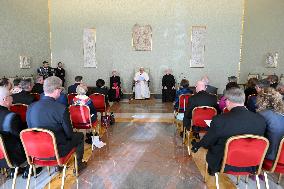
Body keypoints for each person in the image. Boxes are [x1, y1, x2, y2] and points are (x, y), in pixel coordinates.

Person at [191, 88, 266, 175]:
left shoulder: (220, 120)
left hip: (224, 163)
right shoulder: (260, 120)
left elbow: (207, 143)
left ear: (228, 101)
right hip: (252, 164)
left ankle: (212, 172)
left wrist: (198, 145)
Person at [27, 76, 87, 171]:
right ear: (57, 90)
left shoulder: (30, 107)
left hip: (35, 150)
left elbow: (30, 130)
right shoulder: (61, 108)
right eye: (60, 89)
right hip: (57, 150)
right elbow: (69, 135)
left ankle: (58, 166)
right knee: (79, 136)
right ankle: (78, 165)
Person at [0, 86, 31, 178]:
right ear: (5, 99)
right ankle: (30, 168)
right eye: (10, 95)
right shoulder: (11, 117)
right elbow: (21, 136)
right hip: (12, 156)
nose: (12, 98)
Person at [256, 88, 284, 161]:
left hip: (269, 156)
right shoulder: (281, 113)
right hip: (281, 155)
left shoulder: (261, 115)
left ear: (261, 100)